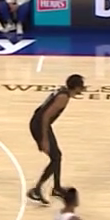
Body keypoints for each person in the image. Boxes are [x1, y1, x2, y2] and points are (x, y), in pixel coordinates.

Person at [28, 74, 86, 205]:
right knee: (56, 158)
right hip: (40, 125)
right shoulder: (63, 97)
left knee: (57, 156)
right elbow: (45, 117)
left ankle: (57, 188)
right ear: (76, 87)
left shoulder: (63, 92)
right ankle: (37, 190)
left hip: (40, 123)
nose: (82, 89)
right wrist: (44, 139)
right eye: (81, 87)